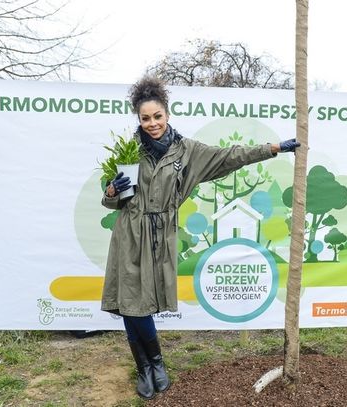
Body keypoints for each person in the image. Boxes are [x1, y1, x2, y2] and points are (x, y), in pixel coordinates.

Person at [101, 75, 299, 400]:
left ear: (167, 112)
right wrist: (112, 190)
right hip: (129, 234)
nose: (152, 124)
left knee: (139, 304)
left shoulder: (187, 152)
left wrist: (273, 149)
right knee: (130, 304)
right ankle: (147, 368)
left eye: (157, 116)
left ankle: (155, 365)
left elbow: (230, 156)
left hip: (160, 235)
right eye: (145, 118)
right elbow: (114, 200)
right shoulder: (129, 151)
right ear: (138, 118)